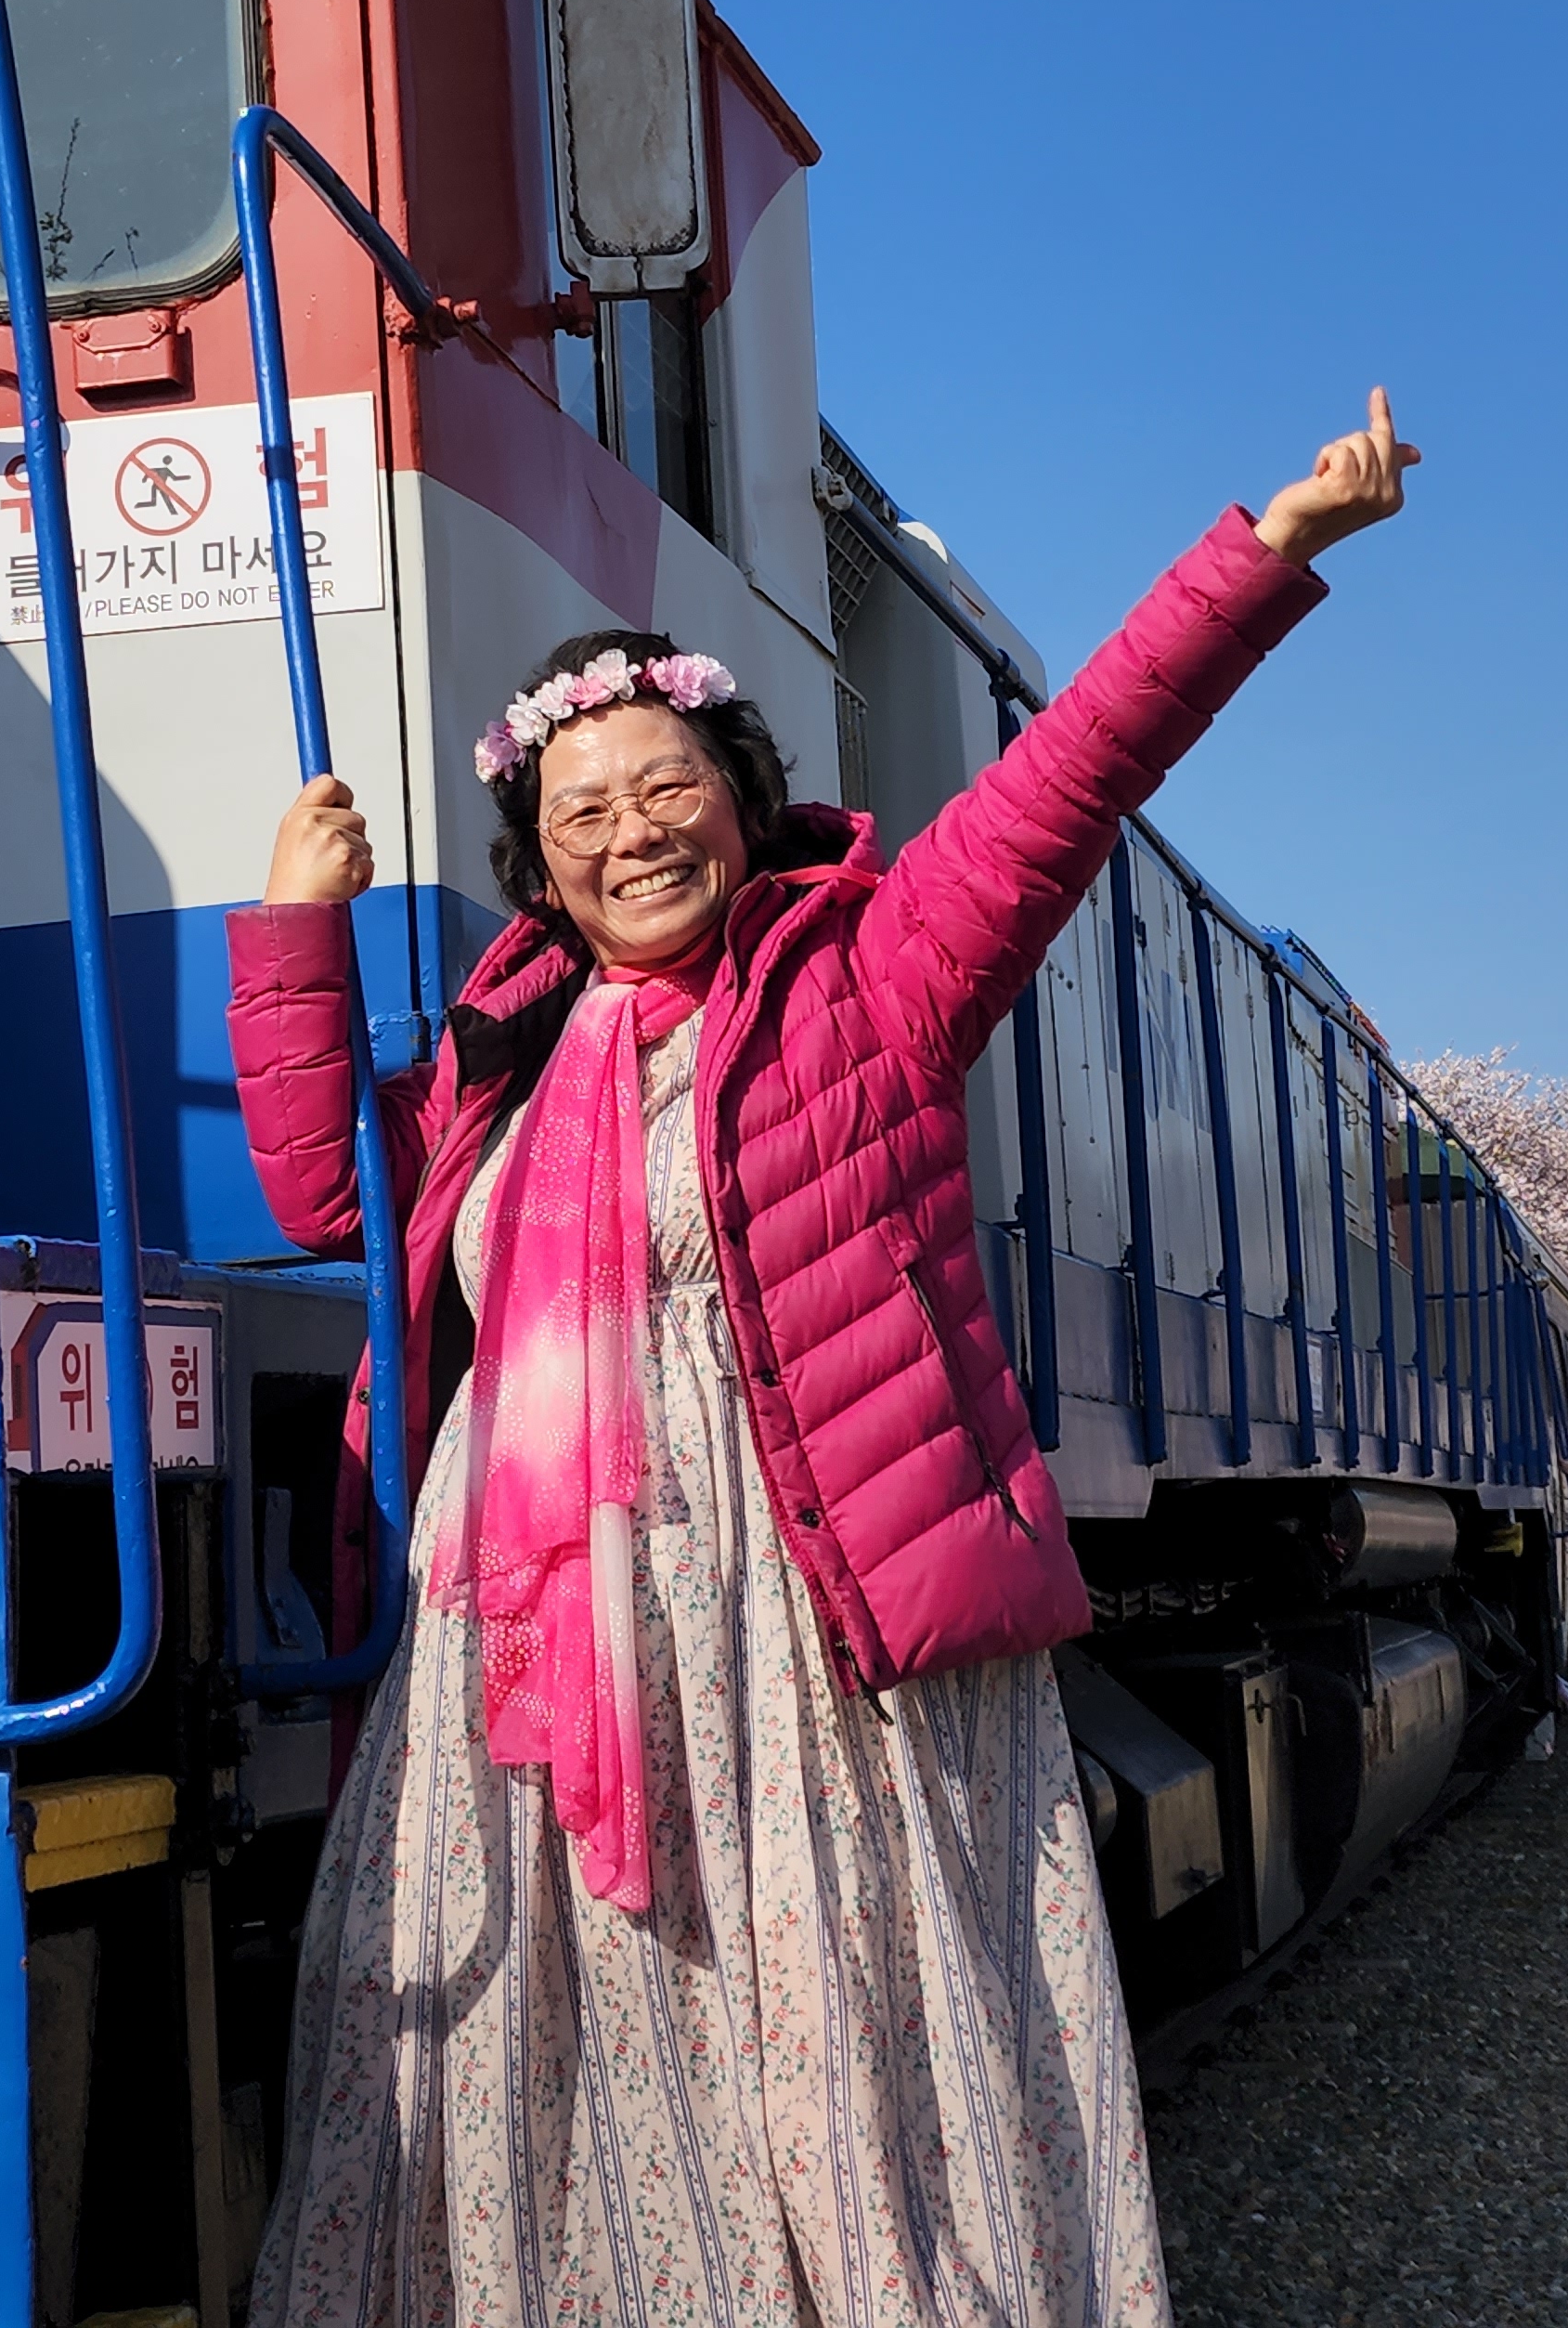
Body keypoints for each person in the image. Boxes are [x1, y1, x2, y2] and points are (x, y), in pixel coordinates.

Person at [225, 396, 1418, 2325]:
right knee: (541, 2046)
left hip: (795, 1625)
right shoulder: (493, 1065)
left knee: (828, 2033)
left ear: (742, 794)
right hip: (527, 1650)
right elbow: (318, 1197)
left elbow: (1074, 775)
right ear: (537, 867)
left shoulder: (872, 978)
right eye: (580, 814)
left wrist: (1264, 552)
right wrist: (292, 929)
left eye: (665, 786)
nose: (632, 832)